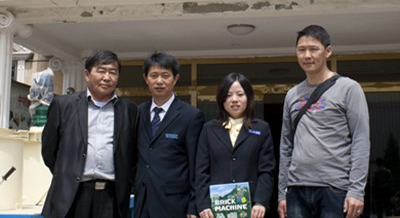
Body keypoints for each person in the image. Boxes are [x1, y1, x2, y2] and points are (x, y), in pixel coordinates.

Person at [278, 24, 370, 218]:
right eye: (301, 50)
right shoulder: (292, 95)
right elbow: (286, 146)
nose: (307, 55)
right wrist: (282, 193)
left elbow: (361, 140)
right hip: (296, 188)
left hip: (335, 188)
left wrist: (356, 190)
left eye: (313, 49)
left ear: (328, 51)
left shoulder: (348, 88)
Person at [41, 50, 139, 218]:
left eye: (113, 72)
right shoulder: (63, 105)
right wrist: (68, 174)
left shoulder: (129, 110)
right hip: (72, 196)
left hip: (112, 197)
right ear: (87, 74)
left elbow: (133, 154)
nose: (107, 77)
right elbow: (49, 151)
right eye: (101, 71)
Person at [133, 51, 205, 218]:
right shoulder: (137, 113)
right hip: (142, 201)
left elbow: (197, 165)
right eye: (154, 75)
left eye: (165, 75)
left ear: (175, 79)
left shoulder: (191, 116)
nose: (159, 81)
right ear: (146, 79)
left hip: (175, 203)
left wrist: (194, 206)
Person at [196, 73, 275, 218]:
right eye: (228, 95)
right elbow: (201, 171)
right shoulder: (208, 129)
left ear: (248, 97)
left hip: (252, 209)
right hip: (216, 208)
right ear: (221, 99)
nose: (234, 100)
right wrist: (203, 204)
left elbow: (266, 170)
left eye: (240, 94)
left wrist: (260, 202)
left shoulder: (262, 129)